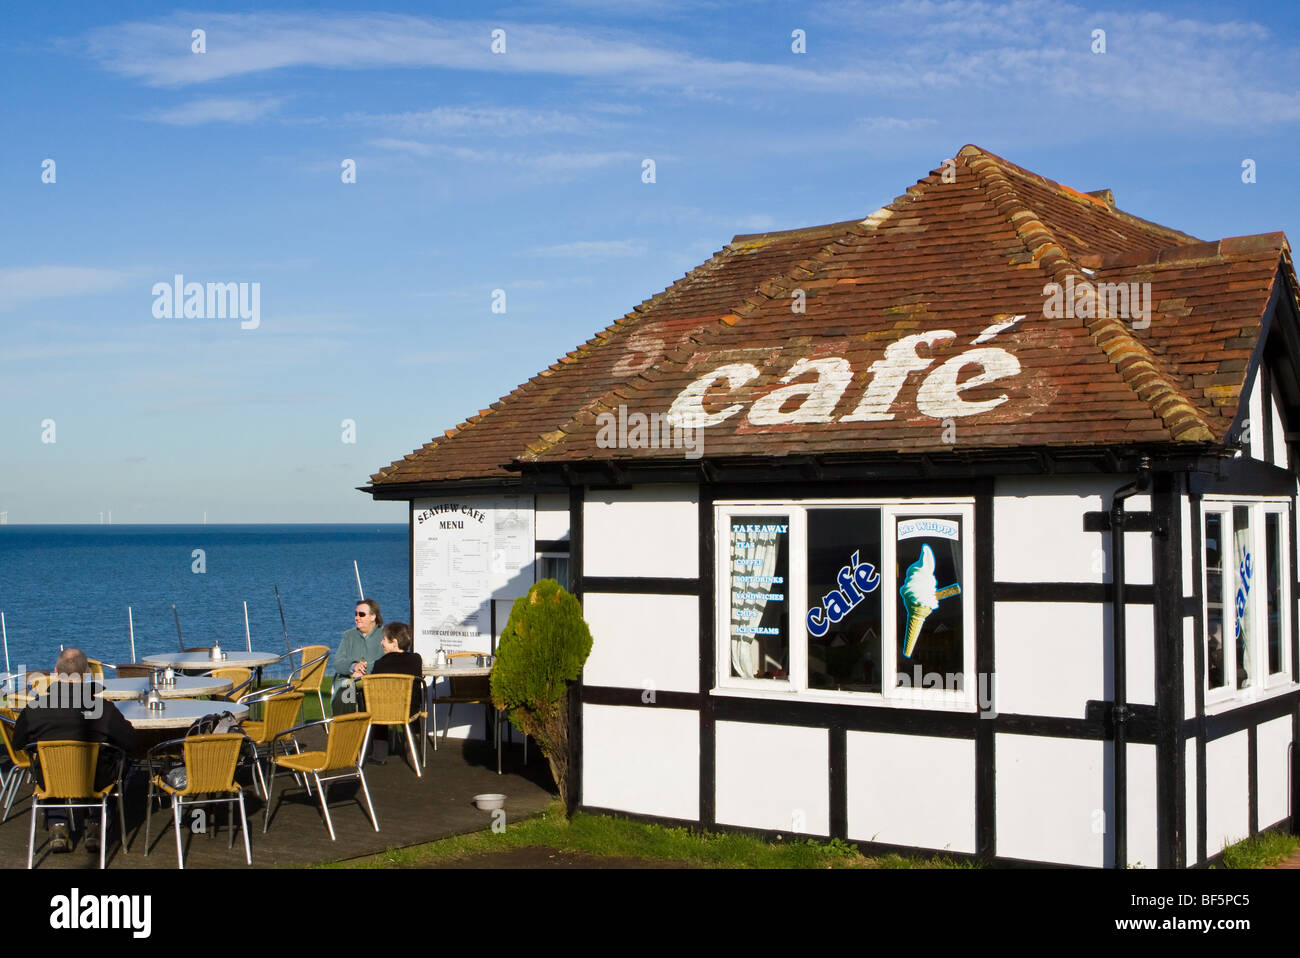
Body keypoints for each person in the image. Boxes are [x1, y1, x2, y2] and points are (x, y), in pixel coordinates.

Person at [12, 648, 137, 853]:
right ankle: (98, 821)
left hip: (50, 780)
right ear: (87, 673)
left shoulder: (35, 709)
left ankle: (57, 823)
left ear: (55, 672)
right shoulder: (102, 709)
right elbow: (131, 742)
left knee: (49, 766)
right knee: (124, 762)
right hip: (94, 780)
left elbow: (17, 743)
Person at [363, 622, 423, 763]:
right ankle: (415, 752)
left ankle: (379, 755)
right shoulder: (416, 659)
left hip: (385, 710)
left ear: (394, 642)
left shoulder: (380, 663)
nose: (381, 642)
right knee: (413, 709)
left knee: (378, 706)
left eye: (384, 639)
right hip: (409, 710)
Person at [330, 598, 384, 715]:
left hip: (375, 680)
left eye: (362, 614)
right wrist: (353, 666)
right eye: (356, 614)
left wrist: (364, 670)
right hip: (349, 679)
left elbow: (388, 660)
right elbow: (337, 662)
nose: (357, 617)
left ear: (373, 616)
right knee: (345, 689)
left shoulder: (384, 636)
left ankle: (375, 728)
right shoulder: (348, 636)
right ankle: (345, 727)